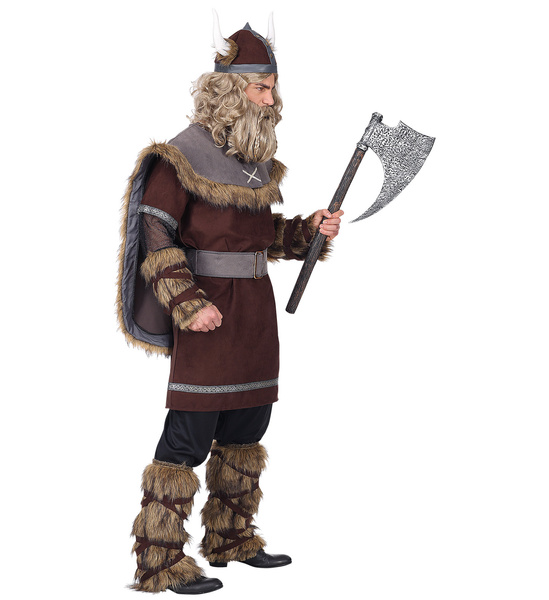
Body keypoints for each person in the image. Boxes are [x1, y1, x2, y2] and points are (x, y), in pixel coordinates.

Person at [117, 16, 343, 595]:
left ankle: (231, 537)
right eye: (260, 88)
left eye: (272, 88)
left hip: (254, 313)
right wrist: (188, 304)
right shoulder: (180, 156)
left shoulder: (254, 160)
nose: (270, 100)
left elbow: (259, 238)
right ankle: (160, 561)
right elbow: (157, 236)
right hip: (207, 313)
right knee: (188, 435)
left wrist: (309, 230)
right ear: (227, 90)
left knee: (248, 424)